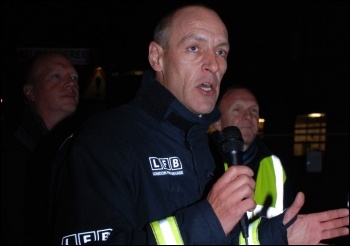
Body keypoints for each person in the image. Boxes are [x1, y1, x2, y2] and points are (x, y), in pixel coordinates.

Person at [49, 4, 349, 245]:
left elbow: (220, 236)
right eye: (194, 48)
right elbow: (208, 226)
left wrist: (275, 237)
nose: (214, 64)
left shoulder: (206, 145)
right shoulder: (104, 140)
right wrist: (209, 218)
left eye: (221, 52)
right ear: (157, 57)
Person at [1, 50, 80, 245]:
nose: (71, 83)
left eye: (74, 77)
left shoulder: (85, 143)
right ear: (30, 91)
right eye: (56, 76)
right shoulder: (10, 150)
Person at [209, 86, 295, 244]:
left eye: (254, 110)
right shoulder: (203, 162)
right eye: (237, 109)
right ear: (218, 122)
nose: (248, 116)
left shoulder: (275, 166)